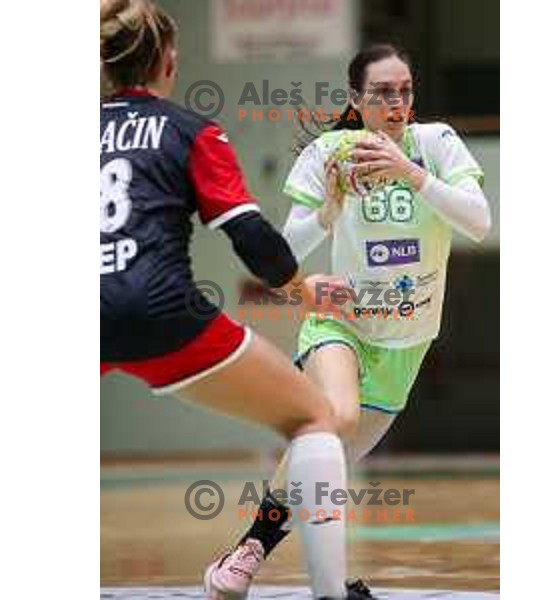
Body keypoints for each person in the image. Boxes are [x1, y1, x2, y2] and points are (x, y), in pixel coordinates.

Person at [99, 2, 374, 599]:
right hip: (163, 313)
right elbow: (251, 238)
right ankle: (331, 593)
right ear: (170, 59)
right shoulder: (191, 131)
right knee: (316, 418)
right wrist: (302, 290)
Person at [206, 43, 491, 597]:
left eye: (405, 90)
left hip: (407, 343)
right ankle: (329, 589)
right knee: (332, 421)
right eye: (383, 92)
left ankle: (246, 552)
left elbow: (479, 221)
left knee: (321, 463)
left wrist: (411, 173)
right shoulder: (330, 153)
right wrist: (328, 211)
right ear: (356, 100)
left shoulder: (436, 144)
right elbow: (283, 251)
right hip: (341, 326)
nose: (397, 102)